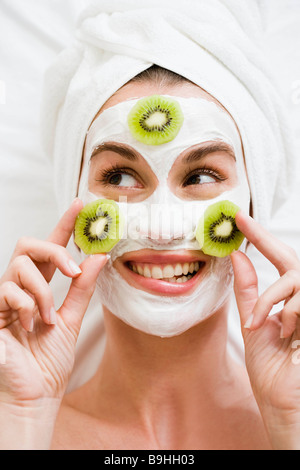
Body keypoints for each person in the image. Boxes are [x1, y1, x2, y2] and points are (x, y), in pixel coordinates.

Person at [0, 63, 300, 450]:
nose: (163, 231)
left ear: (253, 207)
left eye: (201, 177)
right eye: (119, 177)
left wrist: (290, 422)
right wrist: (23, 416)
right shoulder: (16, 423)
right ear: (74, 209)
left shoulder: (293, 419)